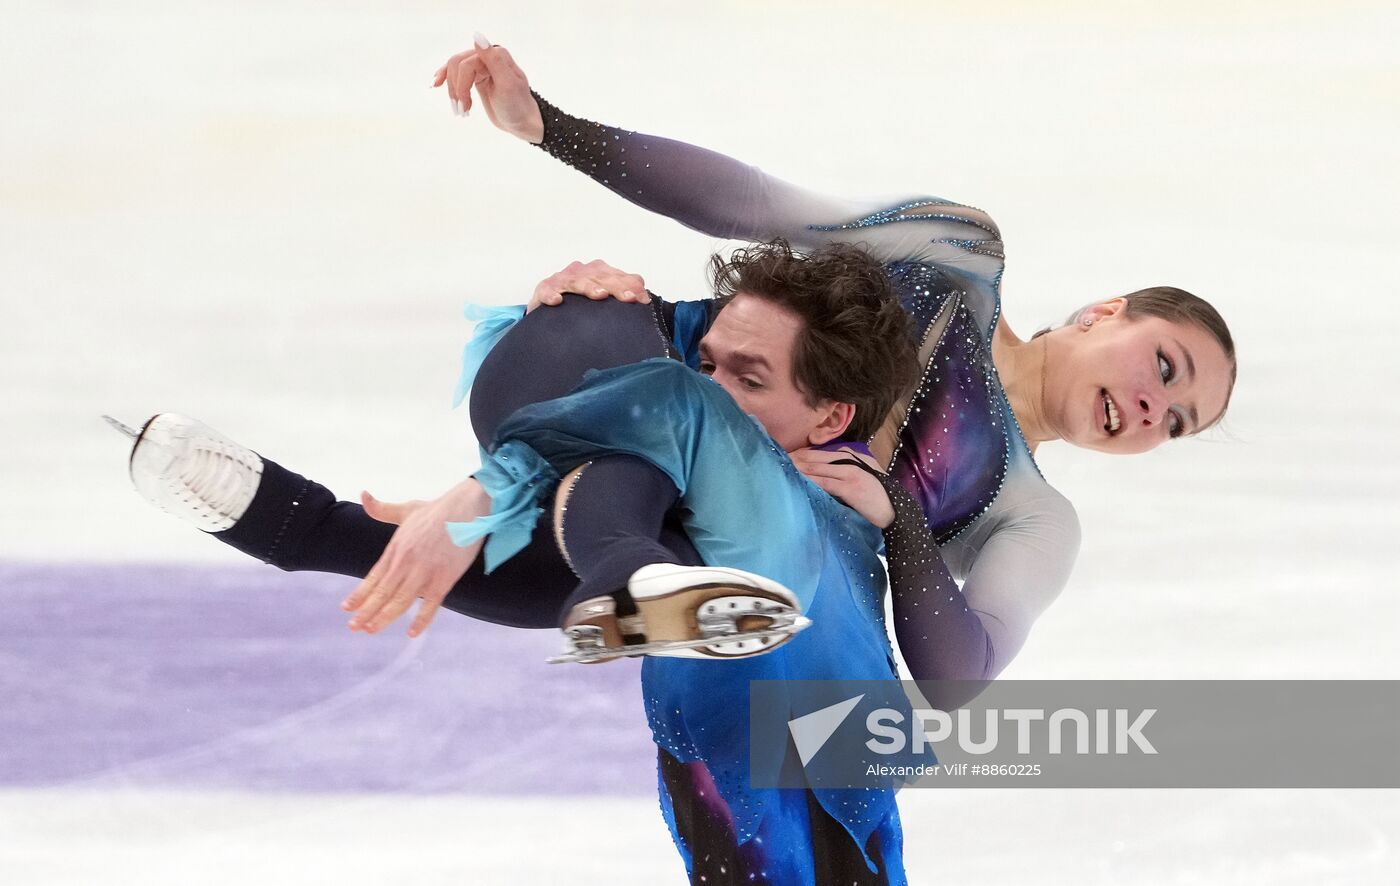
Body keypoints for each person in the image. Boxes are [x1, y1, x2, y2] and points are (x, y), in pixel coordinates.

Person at [117, 238, 933, 883]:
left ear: (832, 416)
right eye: (709, 361)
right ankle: (614, 574)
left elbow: (959, 655)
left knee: (648, 430)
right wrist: (608, 290)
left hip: (799, 720)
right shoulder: (692, 422)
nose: (713, 383)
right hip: (732, 704)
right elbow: (657, 357)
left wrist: (483, 491)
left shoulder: (831, 480)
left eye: (743, 377)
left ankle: (315, 530)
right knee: (631, 426)